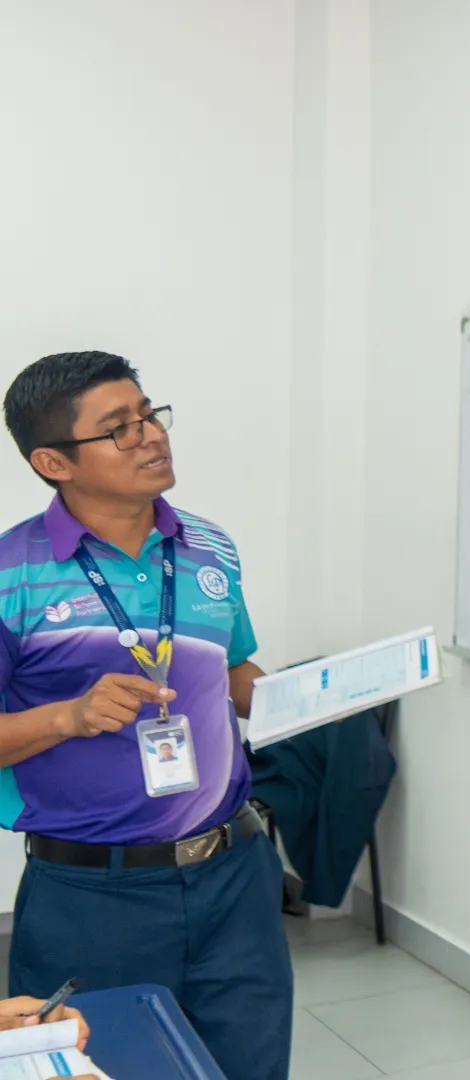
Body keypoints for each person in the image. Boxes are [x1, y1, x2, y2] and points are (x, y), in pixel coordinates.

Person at [0, 353, 289, 1080]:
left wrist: (322, 693)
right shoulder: (10, 574)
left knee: (249, 1068)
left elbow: (235, 673)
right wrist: (67, 716)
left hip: (234, 874)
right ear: (52, 461)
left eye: (149, 414)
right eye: (118, 429)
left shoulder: (209, 546)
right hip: (92, 894)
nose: (151, 436)